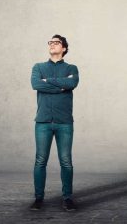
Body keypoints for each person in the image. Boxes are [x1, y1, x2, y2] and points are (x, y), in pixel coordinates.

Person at [29, 34, 79, 211]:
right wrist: (61, 86)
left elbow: (72, 82)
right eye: (50, 42)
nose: (52, 44)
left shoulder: (72, 67)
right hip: (42, 122)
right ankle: (38, 199)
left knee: (66, 161)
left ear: (64, 48)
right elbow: (35, 84)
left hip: (64, 122)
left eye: (56, 42)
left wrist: (48, 82)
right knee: (40, 161)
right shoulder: (39, 67)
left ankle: (67, 198)